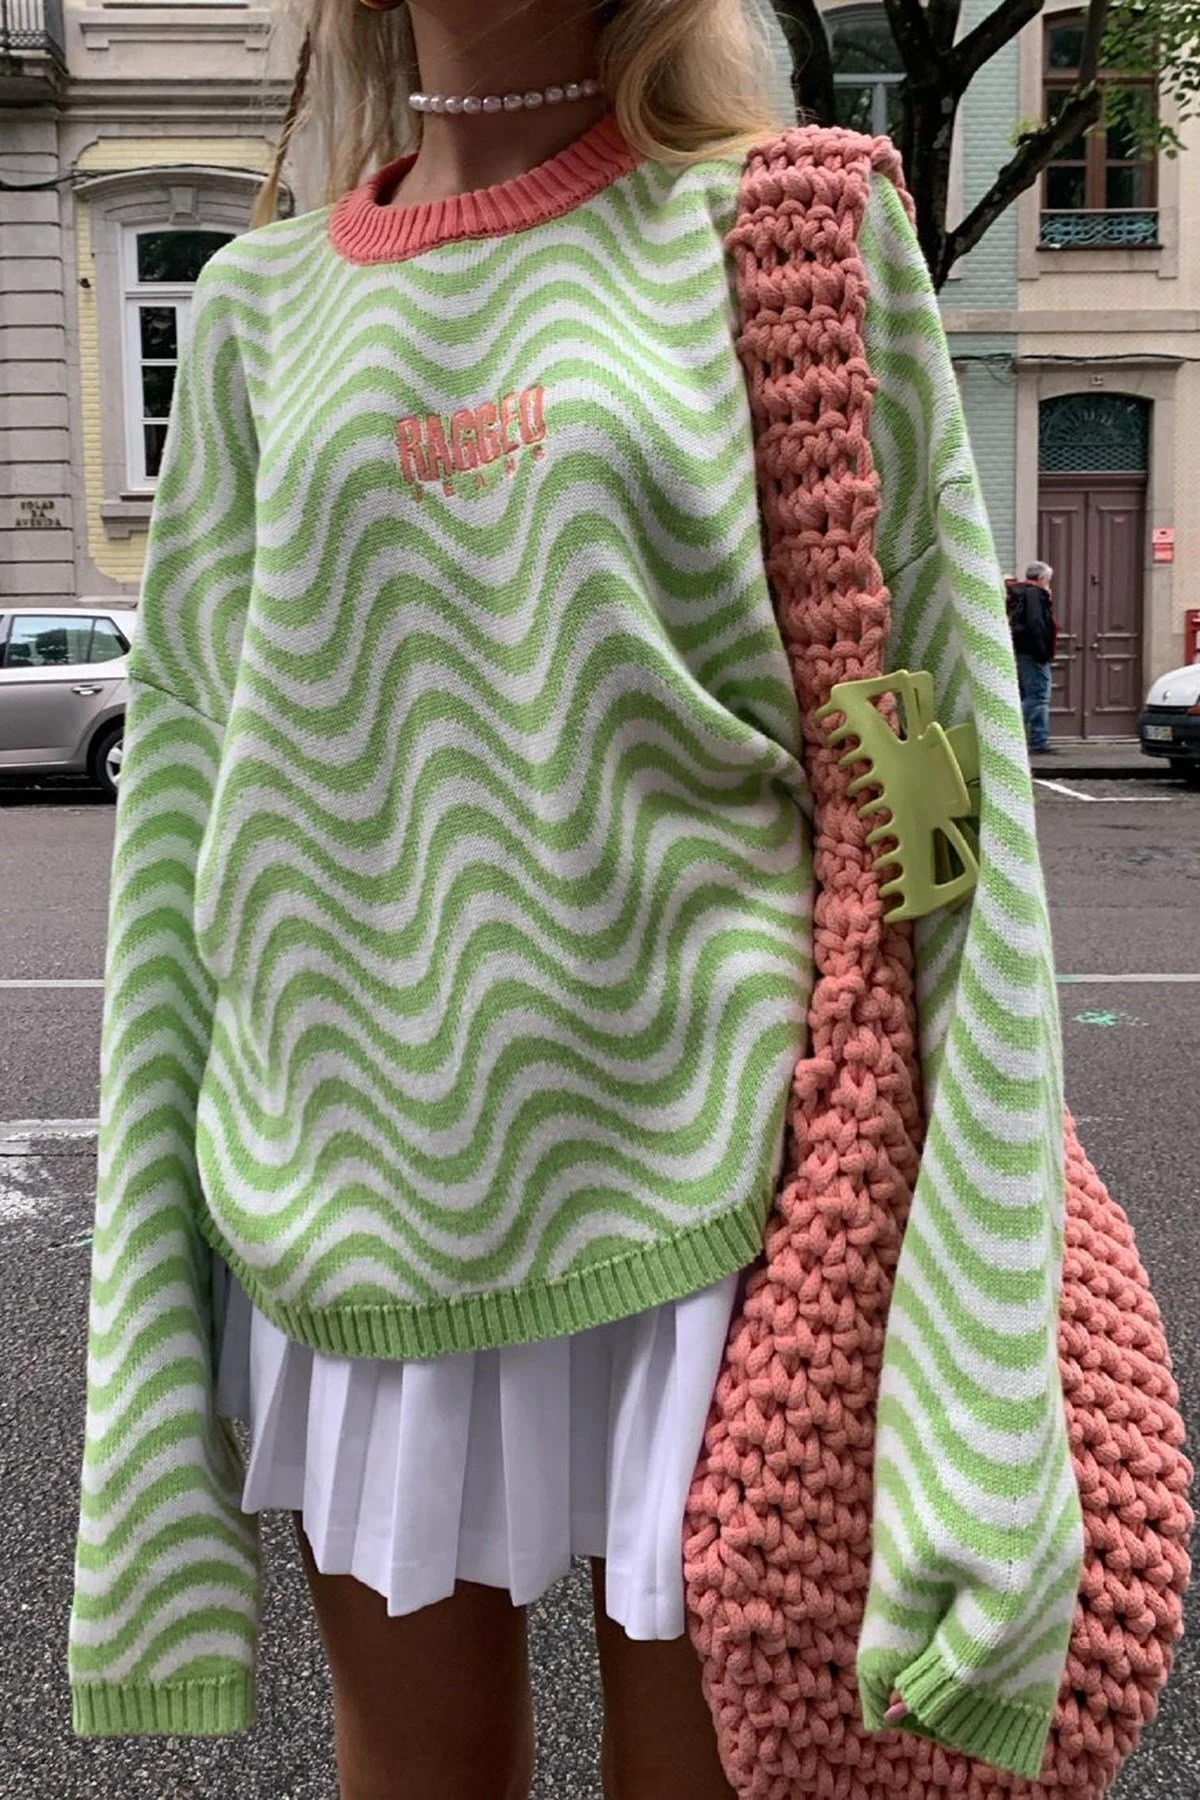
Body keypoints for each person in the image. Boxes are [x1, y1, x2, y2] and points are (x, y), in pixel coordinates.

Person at [67, 3, 1081, 1796]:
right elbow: (182, 841)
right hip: (347, 1197)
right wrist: (146, 1330)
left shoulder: (792, 237)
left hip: (725, 1201)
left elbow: (949, 811)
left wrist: (985, 1338)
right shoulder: (253, 314)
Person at [1006, 559, 1058, 752]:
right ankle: (1008, 730)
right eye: (1048, 579)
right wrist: (1042, 653)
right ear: (1042, 578)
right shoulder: (1034, 594)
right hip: (1033, 653)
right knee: (1038, 696)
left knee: (1034, 695)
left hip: (1024, 651)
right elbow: (1037, 624)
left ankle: (1039, 739)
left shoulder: (1021, 593)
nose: (1049, 583)